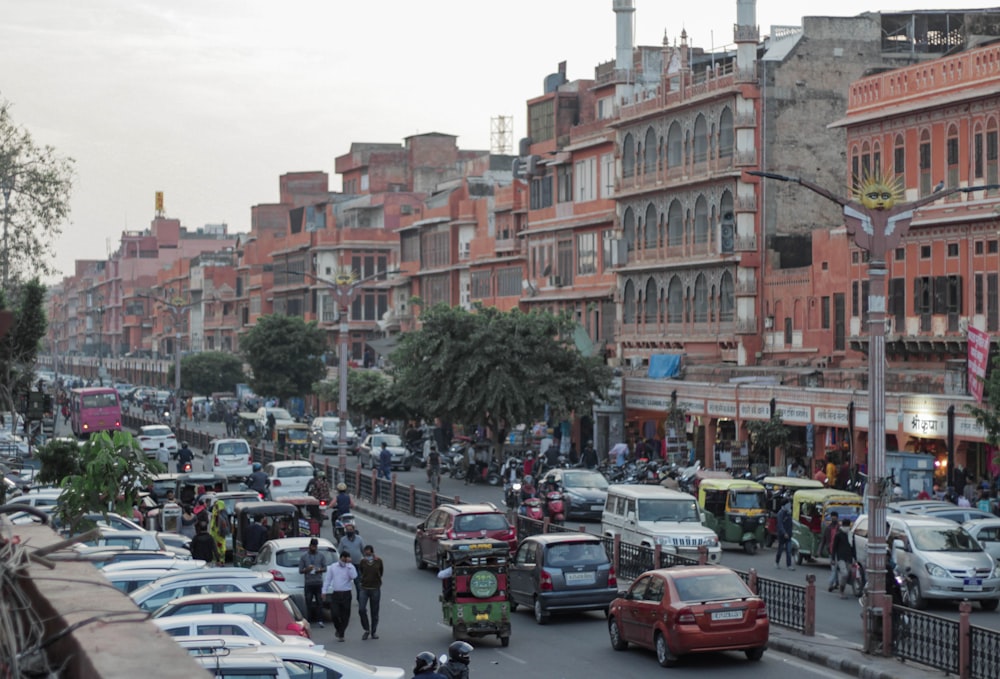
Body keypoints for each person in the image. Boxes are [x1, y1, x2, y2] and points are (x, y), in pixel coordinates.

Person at [322, 550, 357, 642]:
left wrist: (349, 565)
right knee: (334, 614)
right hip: (336, 593)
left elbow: (354, 576)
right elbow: (328, 580)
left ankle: (341, 633)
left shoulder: (350, 567)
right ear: (340, 558)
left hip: (346, 593)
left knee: (345, 615)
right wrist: (324, 591)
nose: (344, 561)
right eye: (343, 559)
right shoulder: (333, 567)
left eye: (346, 559)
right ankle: (338, 629)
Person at [299, 538, 328, 629]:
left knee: (320, 602)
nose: (314, 548)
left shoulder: (321, 556)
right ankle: (308, 621)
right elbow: (300, 570)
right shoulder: (304, 557)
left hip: (318, 582)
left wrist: (319, 570)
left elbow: (325, 568)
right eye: (312, 546)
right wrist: (307, 569)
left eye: (315, 546)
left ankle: (320, 620)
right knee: (308, 602)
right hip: (309, 582)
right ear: (309, 546)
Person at [357, 544, 383, 640]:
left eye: (368, 551)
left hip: (375, 588)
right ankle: (366, 629)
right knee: (361, 609)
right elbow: (360, 572)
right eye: (365, 551)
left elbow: (381, 572)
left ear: (371, 551)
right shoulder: (363, 562)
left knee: (374, 612)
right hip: (364, 588)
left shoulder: (378, 561)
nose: (366, 553)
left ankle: (373, 631)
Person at [832, 518, 856, 599]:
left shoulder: (851, 535)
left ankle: (843, 588)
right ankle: (841, 592)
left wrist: (855, 558)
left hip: (849, 558)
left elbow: (853, 548)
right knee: (844, 574)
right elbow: (834, 547)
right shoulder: (838, 535)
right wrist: (833, 558)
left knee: (848, 575)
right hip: (841, 557)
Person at [821, 510, 840, 592]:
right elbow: (824, 540)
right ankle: (833, 583)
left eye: (835, 517)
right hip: (831, 551)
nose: (833, 518)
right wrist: (820, 550)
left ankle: (833, 583)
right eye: (832, 517)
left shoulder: (839, 529)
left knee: (834, 568)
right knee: (834, 568)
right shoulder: (828, 528)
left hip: (838, 551)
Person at [774, 498, 795, 570]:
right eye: (788, 504)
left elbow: (790, 524)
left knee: (789, 551)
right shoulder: (780, 513)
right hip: (782, 535)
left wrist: (791, 532)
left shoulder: (789, 513)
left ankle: (789, 565)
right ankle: (777, 562)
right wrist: (784, 533)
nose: (789, 505)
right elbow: (780, 525)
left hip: (789, 535)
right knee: (780, 549)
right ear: (784, 505)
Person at [208, 499, 230, 566]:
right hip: (215, 535)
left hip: (219, 535)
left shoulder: (221, 514)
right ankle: (218, 561)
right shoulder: (216, 513)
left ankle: (221, 561)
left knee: (221, 549)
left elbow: (223, 525)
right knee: (217, 549)